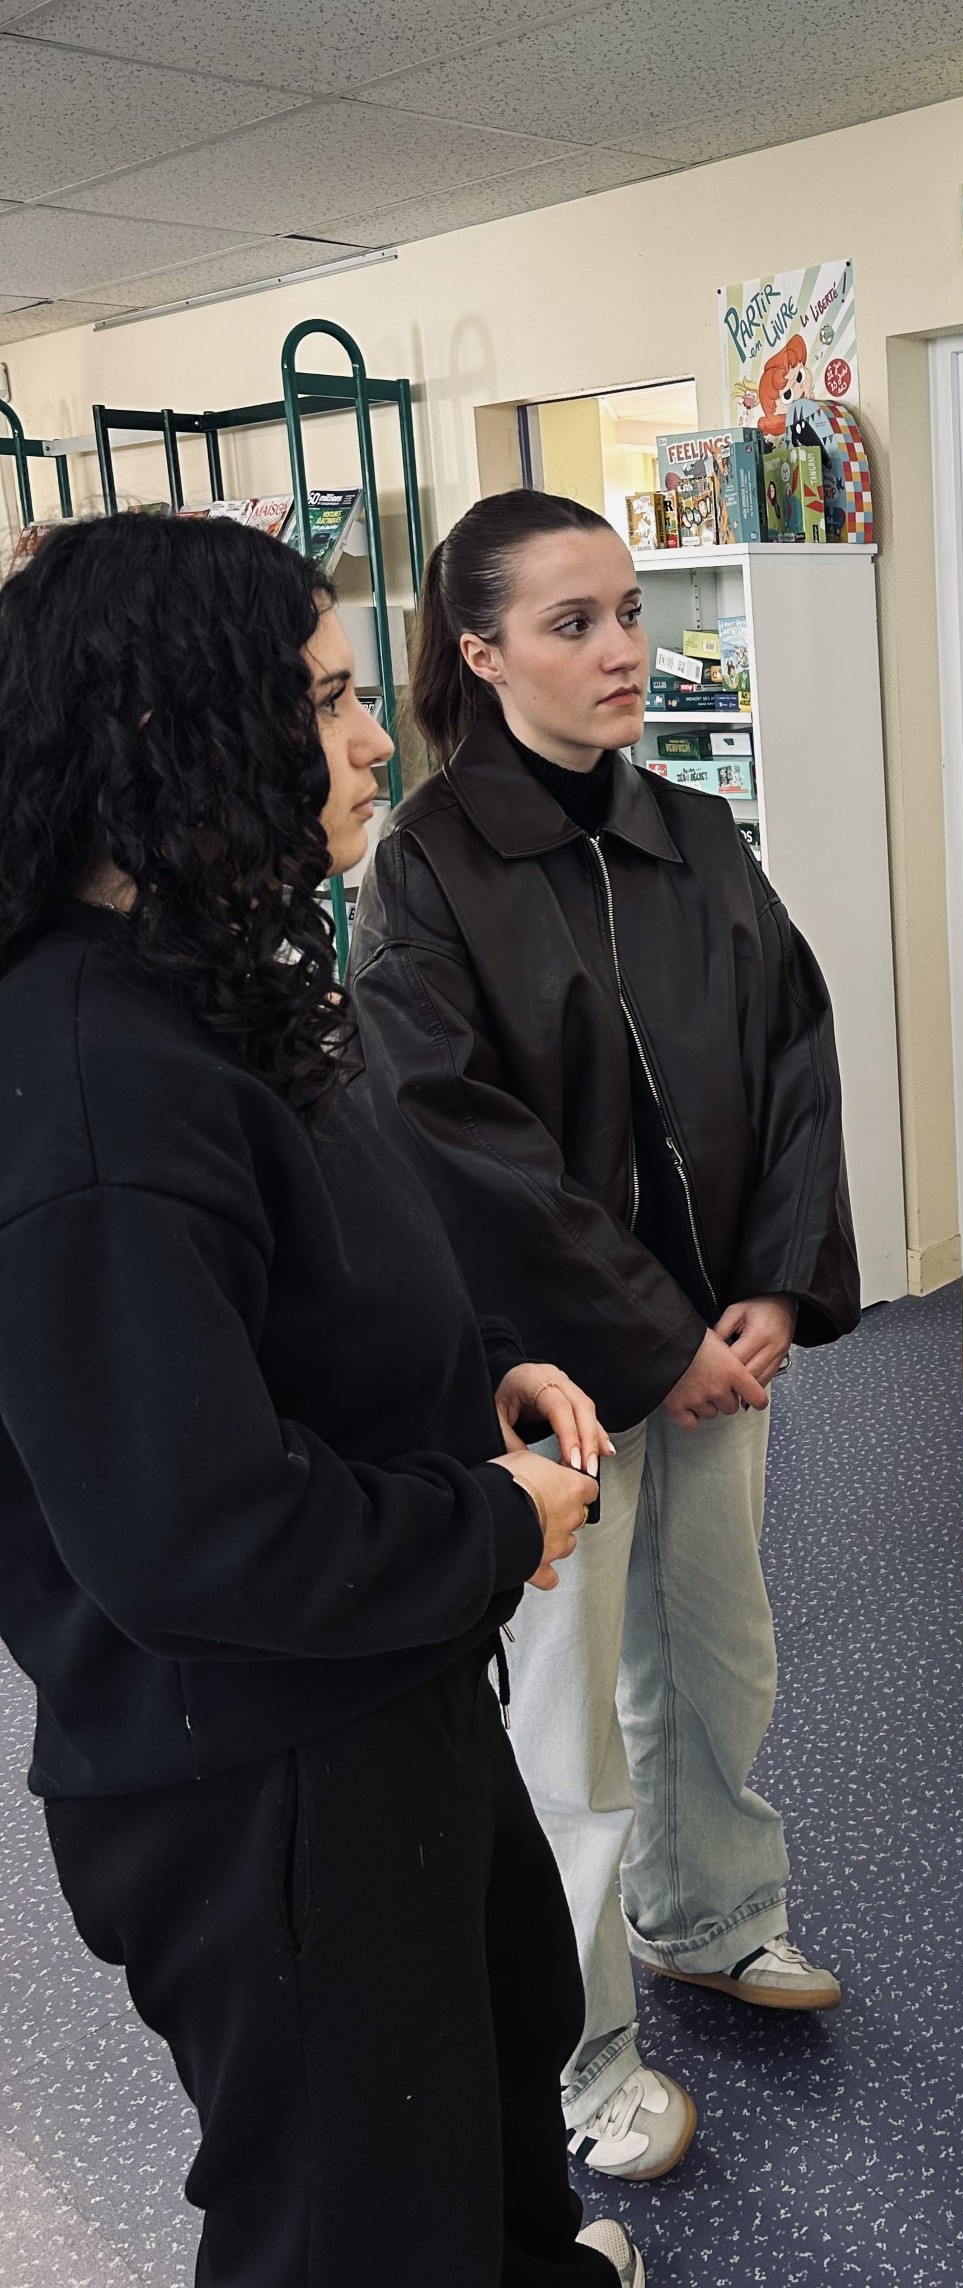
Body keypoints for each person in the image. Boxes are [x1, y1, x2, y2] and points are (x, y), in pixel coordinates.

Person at [0, 515, 642, 2288]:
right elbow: (195, 1534)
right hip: (260, 1779)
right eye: (330, 701)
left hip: (383, 1692)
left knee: (495, 2068)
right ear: (175, 728)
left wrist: (473, 1372)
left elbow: (308, 1285)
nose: (376, 743)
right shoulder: (89, 1087)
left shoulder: (208, 978)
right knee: (349, 2215)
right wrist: (495, 1518)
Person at [348, 488, 860, 2183]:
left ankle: (708, 1915)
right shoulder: (427, 867)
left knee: (717, 1657)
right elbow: (453, 1136)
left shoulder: (695, 834)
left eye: (630, 611)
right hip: (553, 1373)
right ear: (484, 654)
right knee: (564, 1726)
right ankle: (579, 2054)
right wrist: (656, 1338)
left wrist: (772, 1288)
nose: (623, 648)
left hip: (719, 1350)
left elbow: (794, 1053)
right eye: (573, 623)